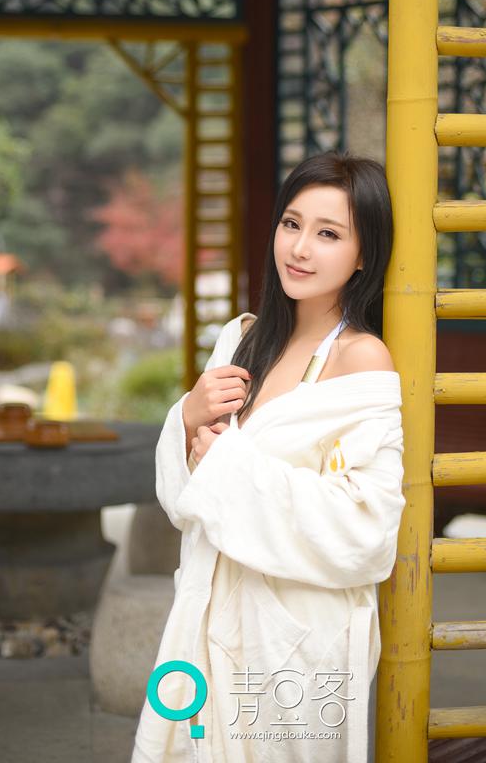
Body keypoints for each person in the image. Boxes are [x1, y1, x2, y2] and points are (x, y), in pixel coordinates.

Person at [131, 150, 405, 763]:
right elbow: (186, 496)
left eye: (328, 234)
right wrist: (188, 417)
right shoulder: (244, 338)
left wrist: (229, 466)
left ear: (364, 254)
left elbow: (368, 526)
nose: (300, 249)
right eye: (291, 223)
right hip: (208, 612)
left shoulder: (361, 358)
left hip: (294, 641)